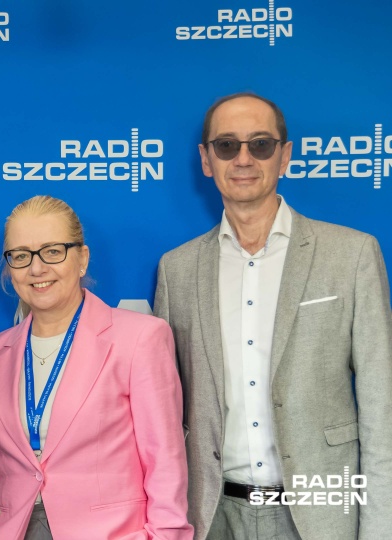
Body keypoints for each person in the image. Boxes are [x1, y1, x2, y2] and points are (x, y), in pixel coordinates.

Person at [154, 92, 392, 540]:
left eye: (260, 144)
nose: (243, 158)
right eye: (226, 146)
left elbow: (384, 409)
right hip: (211, 515)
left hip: (320, 516)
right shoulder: (177, 270)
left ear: (285, 156)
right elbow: (167, 415)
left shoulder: (353, 254)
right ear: (206, 160)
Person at [0, 195, 192, 540]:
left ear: (82, 259)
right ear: (9, 268)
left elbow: (165, 461)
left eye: (52, 251)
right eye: (21, 256)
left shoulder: (140, 338)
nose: (37, 268)